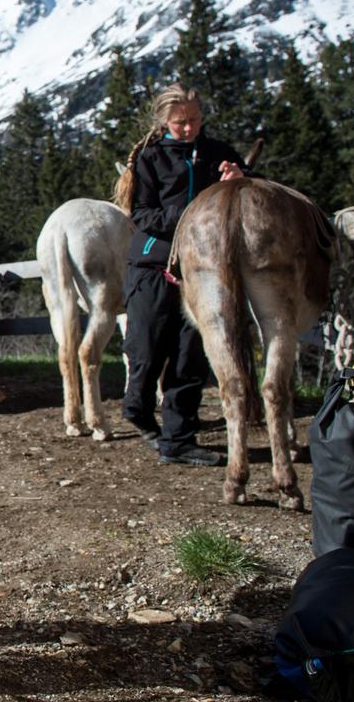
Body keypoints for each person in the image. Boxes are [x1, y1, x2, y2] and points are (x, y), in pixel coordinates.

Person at [116, 84, 247, 468]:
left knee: (190, 355)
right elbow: (142, 215)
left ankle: (178, 439)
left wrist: (239, 179)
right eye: (179, 122)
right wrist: (194, 211)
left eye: (193, 120)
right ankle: (137, 407)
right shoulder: (150, 158)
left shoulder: (219, 154)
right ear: (164, 121)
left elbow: (248, 195)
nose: (188, 128)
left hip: (205, 268)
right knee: (146, 348)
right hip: (153, 264)